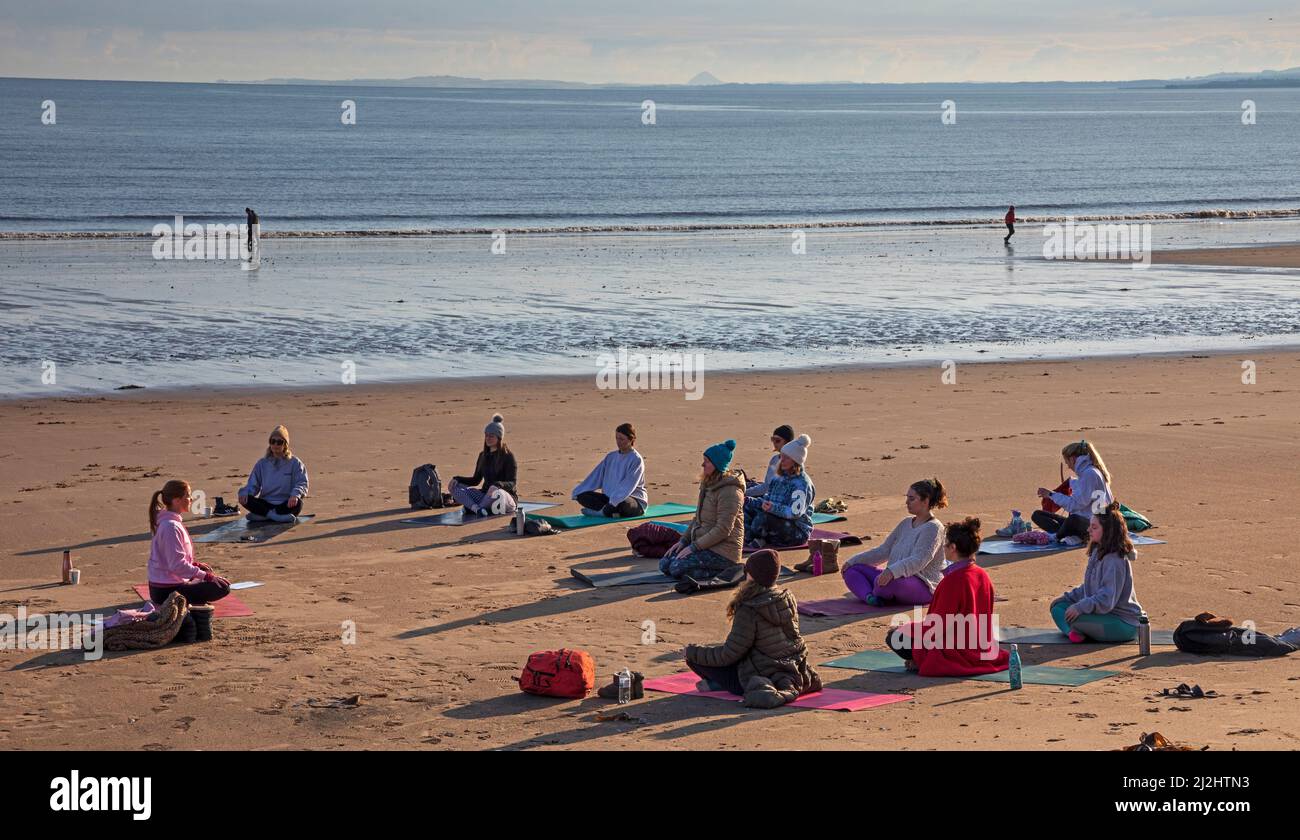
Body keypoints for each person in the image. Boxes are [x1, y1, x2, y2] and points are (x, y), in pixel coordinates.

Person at [683, 549, 822, 708]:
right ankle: (717, 683)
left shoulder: (749, 608)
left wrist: (693, 652)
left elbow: (729, 654)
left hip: (759, 672)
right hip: (793, 668)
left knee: (694, 658)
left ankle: (722, 683)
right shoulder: (787, 597)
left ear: (751, 575)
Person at [886, 517, 1009, 676]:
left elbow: (937, 626)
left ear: (953, 547)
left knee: (894, 637)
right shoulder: (982, 574)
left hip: (956, 648)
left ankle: (918, 661)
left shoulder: (953, 581)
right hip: (980, 645)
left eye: (945, 545)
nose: (943, 548)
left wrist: (905, 629)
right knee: (905, 631)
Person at [841, 478, 948, 606]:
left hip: (924, 583)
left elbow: (918, 561)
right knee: (852, 570)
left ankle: (875, 592)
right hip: (896, 575)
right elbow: (884, 550)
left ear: (925, 501)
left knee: (883, 584)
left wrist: (892, 572)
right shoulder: (905, 523)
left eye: (912, 499)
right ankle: (870, 597)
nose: (907, 502)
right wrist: (852, 561)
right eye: (907, 497)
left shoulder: (934, 528)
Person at [1050, 503, 1145, 642]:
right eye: (1090, 525)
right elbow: (1089, 588)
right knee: (1058, 608)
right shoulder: (1097, 551)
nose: (1089, 530)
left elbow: (1107, 599)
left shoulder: (1114, 560)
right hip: (1102, 615)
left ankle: (1074, 630)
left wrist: (1080, 607)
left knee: (1073, 617)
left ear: (1108, 531)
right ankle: (1073, 633)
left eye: (1094, 527)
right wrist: (1067, 598)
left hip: (1123, 623)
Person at [659, 439, 744, 580]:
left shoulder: (731, 492)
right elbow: (697, 519)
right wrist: (683, 541)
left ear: (717, 465)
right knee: (665, 564)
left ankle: (729, 569)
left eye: (707, 461)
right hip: (706, 545)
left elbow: (723, 529)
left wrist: (694, 547)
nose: (703, 464)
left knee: (676, 568)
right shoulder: (708, 485)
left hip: (724, 552)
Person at [148, 479, 230, 606]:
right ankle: (188, 599)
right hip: (165, 591)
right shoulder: (170, 526)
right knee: (222, 587)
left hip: (164, 585)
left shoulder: (168, 521)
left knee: (204, 571)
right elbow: (177, 565)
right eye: (188, 495)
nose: (191, 499)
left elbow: (170, 559)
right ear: (177, 500)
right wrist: (207, 577)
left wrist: (196, 565)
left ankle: (193, 589)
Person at [1031, 439, 1114, 544]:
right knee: (1037, 515)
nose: (1068, 467)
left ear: (1073, 459)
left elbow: (1075, 505)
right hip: (1087, 520)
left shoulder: (1089, 474)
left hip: (1097, 525)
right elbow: (1084, 494)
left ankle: (1057, 536)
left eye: (1067, 462)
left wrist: (1051, 495)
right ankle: (1068, 533)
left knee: (1073, 519)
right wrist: (1071, 483)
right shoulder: (1089, 472)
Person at [743, 433, 815, 548]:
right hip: (774, 520)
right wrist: (748, 500)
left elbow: (794, 513)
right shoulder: (777, 478)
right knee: (745, 507)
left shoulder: (802, 484)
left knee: (765, 517)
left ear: (795, 461)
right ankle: (750, 538)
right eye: (781, 457)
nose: (782, 461)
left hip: (796, 531)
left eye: (786, 458)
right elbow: (767, 500)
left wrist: (772, 508)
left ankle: (755, 538)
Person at [572, 422, 648, 518]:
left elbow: (628, 485)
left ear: (631, 439)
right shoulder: (610, 457)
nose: (618, 442)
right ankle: (610, 512)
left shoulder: (636, 459)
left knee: (622, 503)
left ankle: (602, 512)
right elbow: (596, 476)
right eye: (617, 438)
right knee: (582, 495)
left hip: (632, 501)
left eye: (622, 439)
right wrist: (578, 491)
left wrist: (615, 501)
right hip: (610, 499)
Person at [448, 413, 518, 516]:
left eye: (491, 436)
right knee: (455, 487)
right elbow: (475, 480)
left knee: (497, 493)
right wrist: (457, 479)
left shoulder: (508, 456)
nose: (488, 438)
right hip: (485, 496)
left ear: (499, 438)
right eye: (486, 435)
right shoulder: (483, 456)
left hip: (504, 498)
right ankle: (478, 509)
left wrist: (498, 485)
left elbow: (512, 482)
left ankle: (474, 507)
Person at [239, 425, 309, 523]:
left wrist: (295, 495)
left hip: (285, 503)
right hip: (266, 503)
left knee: (299, 504)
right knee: (246, 499)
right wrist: (244, 493)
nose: (275, 445)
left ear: (285, 445)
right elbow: (253, 485)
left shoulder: (295, 462)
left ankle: (263, 515)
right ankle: (274, 516)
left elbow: (302, 482)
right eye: (273, 441)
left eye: (279, 442)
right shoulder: (262, 463)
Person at [744, 425, 795, 498]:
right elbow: (766, 485)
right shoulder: (775, 459)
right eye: (773, 439)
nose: (774, 443)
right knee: (745, 484)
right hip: (768, 492)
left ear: (788, 442)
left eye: (777, 440)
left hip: (776, 500)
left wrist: (745, 493)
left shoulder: (791, 462)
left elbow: (767, 488)